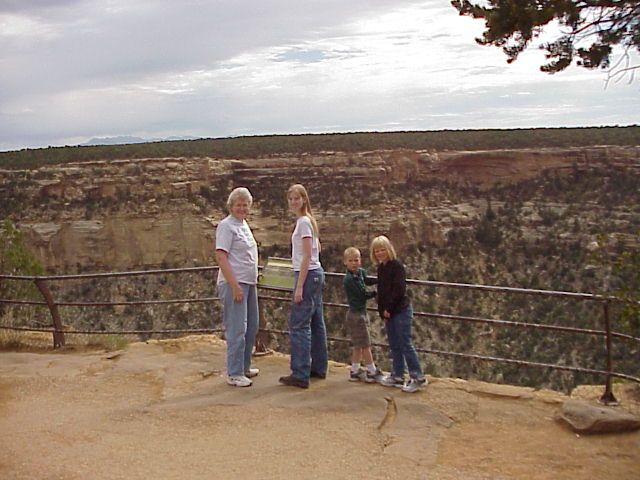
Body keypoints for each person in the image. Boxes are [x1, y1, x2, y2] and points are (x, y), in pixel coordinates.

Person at [279, 184, 328, 389]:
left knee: (299, 325)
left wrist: (299, 286)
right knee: (316, 323)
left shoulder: (303, 223)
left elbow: (307, 255)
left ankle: (300, 373)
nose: (293, 202)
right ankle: (318, 367)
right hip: (315, 274)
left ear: (304, 199)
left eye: (296, 198)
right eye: (290, 199)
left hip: (307, 275)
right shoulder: (309, 221)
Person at [370, 235, 427, 393]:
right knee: (394, 344)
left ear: (389, 249)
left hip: (400, 311)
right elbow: (382, 290)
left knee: (405, 343)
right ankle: (397, 375)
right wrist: (382, 311)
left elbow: (399, 290)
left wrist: (388, 308)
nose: (380, 253)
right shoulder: (381, 268)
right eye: (377, 251)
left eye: (382, 250)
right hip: (389, 313)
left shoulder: (397, 266)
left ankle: (417, 376)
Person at [215, 187, 260, 388]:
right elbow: (221, 256)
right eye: (239, 205)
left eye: (245, 205)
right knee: (237, 328)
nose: (242, 208)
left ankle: (244, 366)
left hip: (249, 282)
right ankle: (234, 373)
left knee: (252, 326)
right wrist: (234, 285)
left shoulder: (244, 225)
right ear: (231, 206)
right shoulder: (226, 226)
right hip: (235, 283)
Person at [342, 247, 384, 383]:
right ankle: (372, 371)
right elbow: (362, 294)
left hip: (360, 312)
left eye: (356, 260)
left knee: (358, 344)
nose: (354, 263)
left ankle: (355, 370)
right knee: (365, 344)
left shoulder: (360, 273)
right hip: (356, 315)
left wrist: (379, 280)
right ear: (345, 262)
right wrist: (376, 293)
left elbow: (367, 280)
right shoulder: (349, 280)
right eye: (351, 261)